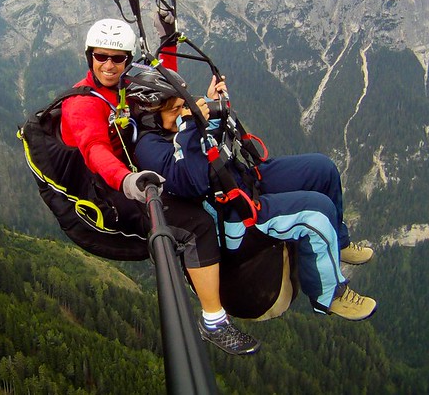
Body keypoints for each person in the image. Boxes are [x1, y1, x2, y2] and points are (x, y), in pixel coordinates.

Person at [59, 18, 261, 355]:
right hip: (110, 190)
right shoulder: (83, 104)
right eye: (100, 56)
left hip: (141, 170)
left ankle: (231, 265)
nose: (108, 64)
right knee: (196, 225)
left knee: (210, 187)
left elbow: (162, 82)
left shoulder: (126, 85)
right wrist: (127, 179)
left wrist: (169, 42)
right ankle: (214, 320)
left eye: (117, 58)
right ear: (89, 57)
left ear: (127, 59)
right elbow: (94, 149)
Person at [126, 66, 378, 321]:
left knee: (323, 169)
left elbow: (206, 143)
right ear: (150, 115)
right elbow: (191, 182)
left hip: (243, 180)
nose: (182, 113)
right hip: (233, 215)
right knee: (317, 212)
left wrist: (212, 104)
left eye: (184, 105)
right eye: (175, 109)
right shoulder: (150, 148)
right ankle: (330, 294)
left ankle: (340, 243)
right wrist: (191, 126)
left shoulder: (174, 130)